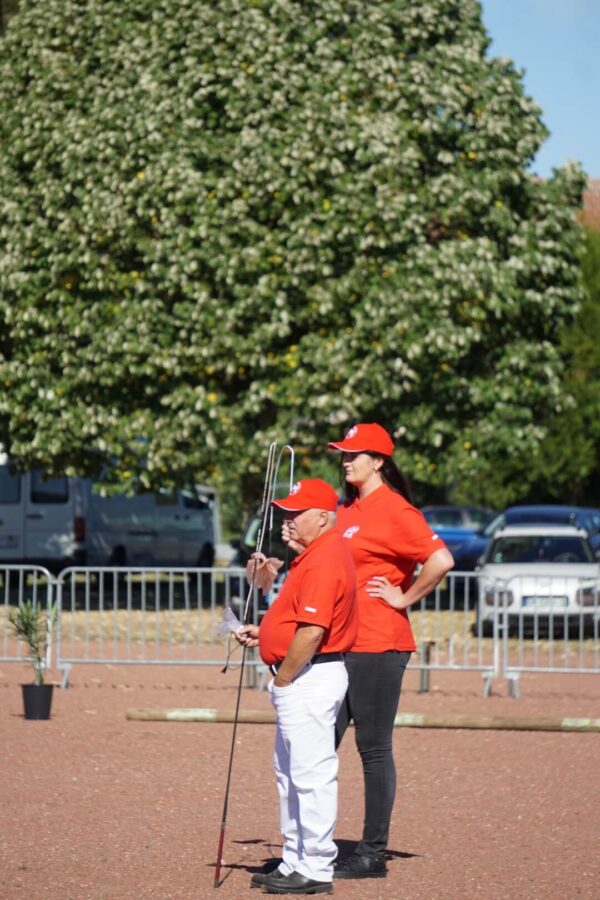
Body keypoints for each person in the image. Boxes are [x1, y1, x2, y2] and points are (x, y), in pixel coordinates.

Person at [327, 423, 454, 880]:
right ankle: (312, 845)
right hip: (340, 643)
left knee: (373, 748)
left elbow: (441, 560)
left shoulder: (396, 510)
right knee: (320, 741)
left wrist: (403, 598)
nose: (345, 461)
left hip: (380, 644)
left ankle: (372, 853)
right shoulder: (347, 508)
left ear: (378, 460)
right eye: (342, 453)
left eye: (354, 454)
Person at [237, 478, 358, 896]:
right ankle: (296, 859)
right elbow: (296, 624)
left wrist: (284, 676)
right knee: (289, 775)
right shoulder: (313, 555)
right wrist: (266, 634)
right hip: (303, 675)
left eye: (296, 514)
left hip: (308, 676)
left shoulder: (325, 558)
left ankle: (316, 866)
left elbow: (311, 631)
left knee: (310, 775)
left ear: (322, 518)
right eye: (286, 513)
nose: (286, 521)